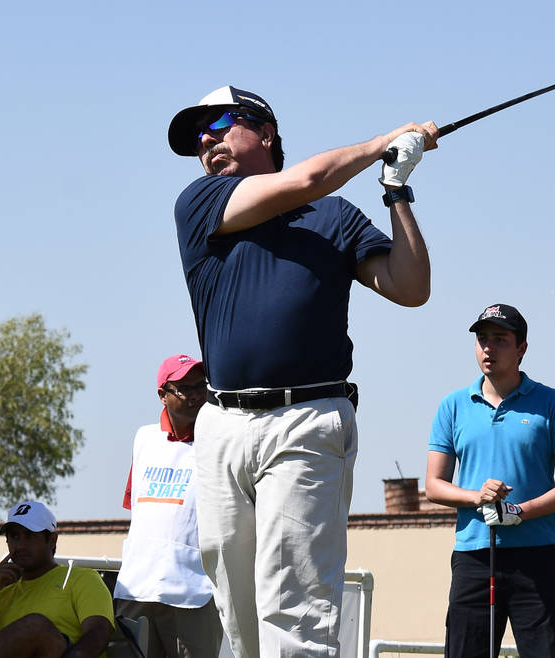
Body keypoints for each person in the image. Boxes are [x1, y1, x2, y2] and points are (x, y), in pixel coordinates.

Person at [167, 86, 438, 658]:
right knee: (239, 617)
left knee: (295, 614)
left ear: (266, 132)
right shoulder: (200, 203)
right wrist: (383, 142)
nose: (206, 141)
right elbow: (308, 179)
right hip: (222, 426)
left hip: (307, 420)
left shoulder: (333, 216)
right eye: (198, 139)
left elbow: (411, 287)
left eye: (220, 124)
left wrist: (396, 190)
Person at [425, 303, 555, 658]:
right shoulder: (453, 406)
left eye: (500, 339)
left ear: (521, 348)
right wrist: (477, 497)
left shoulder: (552, 403)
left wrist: (519, 511)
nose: (488, 348)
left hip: (538, 557)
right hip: (474, 558)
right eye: (482, 339)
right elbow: (434, 485)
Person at [113, 354, 223, 657]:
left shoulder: (220, 441)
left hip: (194, 592)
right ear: (163, 395)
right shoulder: (144, 438)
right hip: (137, 588)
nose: (196, 395)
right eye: (185, 389)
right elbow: (138, 508)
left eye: (201, 386)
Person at [0, 501, 114, 658]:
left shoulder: (82, 578)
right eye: (14, 536)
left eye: (30, 535)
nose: (20, 545)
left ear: (52, 540)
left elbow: (98, 635)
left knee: (36, 626)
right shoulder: (0, 595)